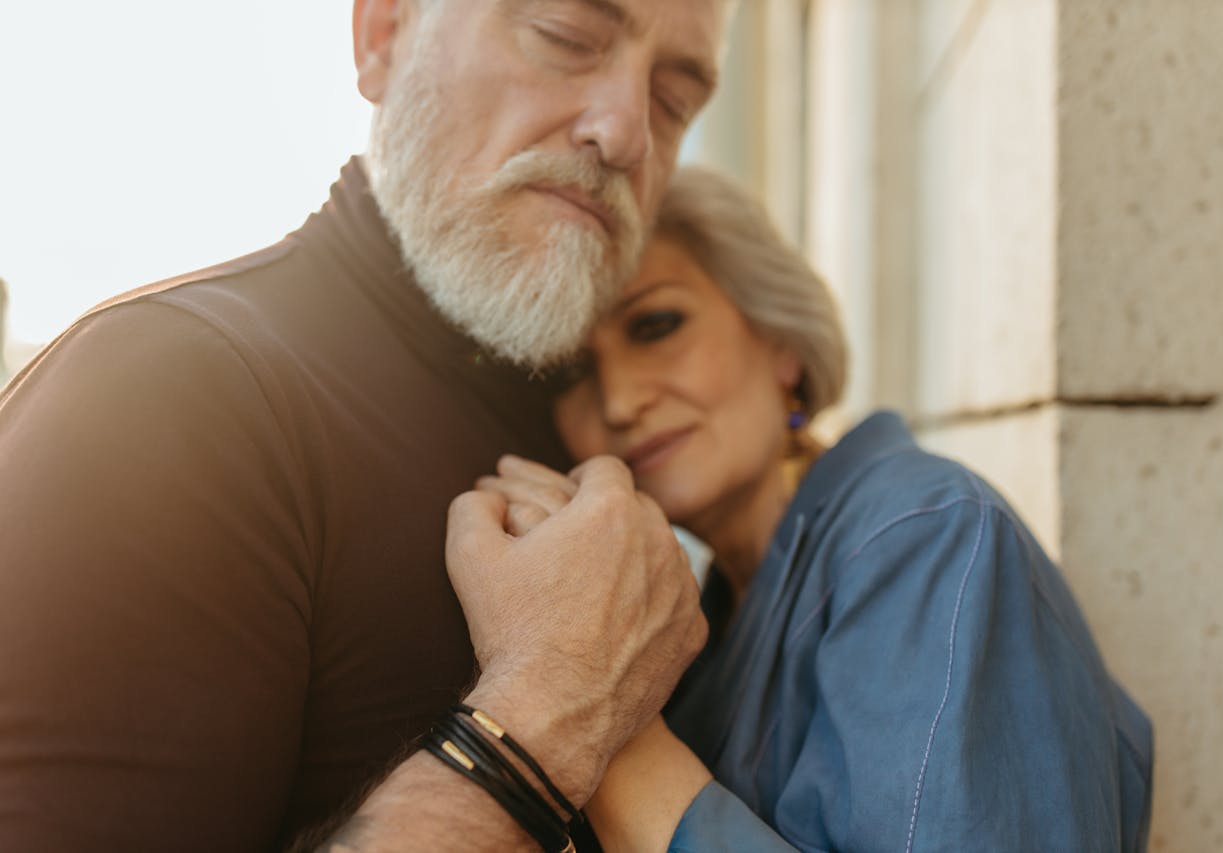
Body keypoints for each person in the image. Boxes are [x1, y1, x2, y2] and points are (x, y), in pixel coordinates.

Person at [0, 1, 733, 850]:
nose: (626, 132)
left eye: (674, 100)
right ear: (384, 36)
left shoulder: (595, 428)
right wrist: (549, 711)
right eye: (565, 38)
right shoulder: (162, 399)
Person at [478, 167, 1155, 851]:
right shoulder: (705, 620)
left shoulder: (924, 539)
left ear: (782, 345)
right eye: (573, 371)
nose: (620, 400)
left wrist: (591, 699)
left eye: (657, 325)